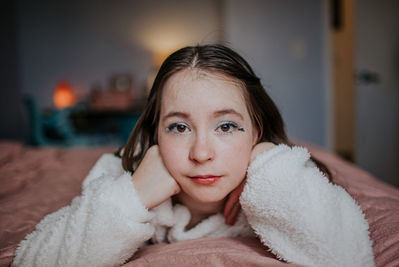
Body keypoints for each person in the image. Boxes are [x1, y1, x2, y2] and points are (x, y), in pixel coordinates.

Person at [13, 44, 374, 267]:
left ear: (256, 131)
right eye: (179, 127)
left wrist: (267, 160)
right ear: (155, 134)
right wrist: (134, 195)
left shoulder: (278, 184)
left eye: (227, 127)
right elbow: (34, 260)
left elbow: (350, 256)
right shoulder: (119, 180)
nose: (202, 153)